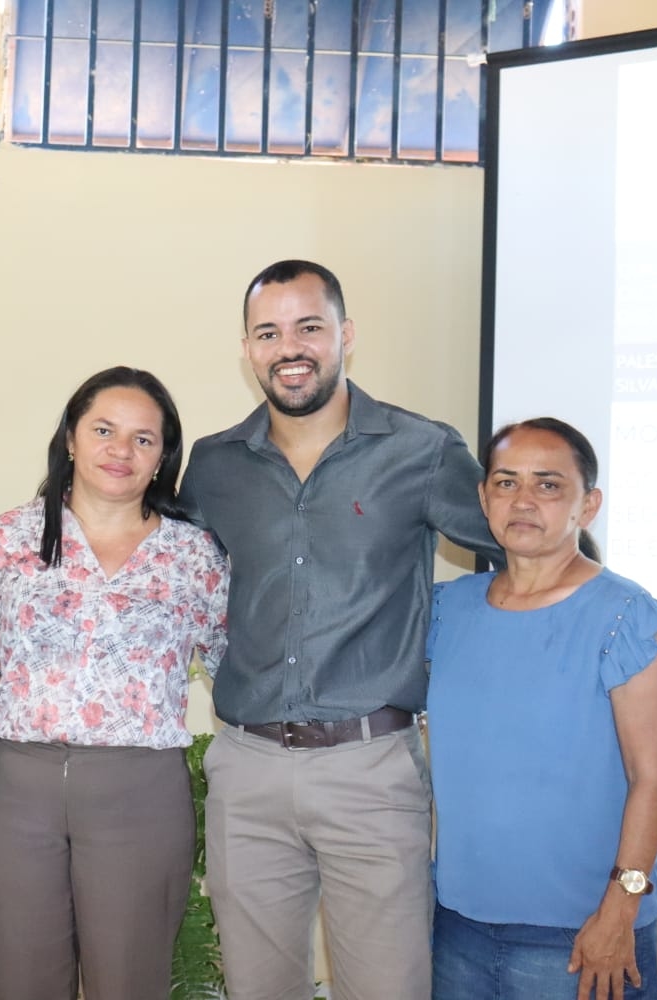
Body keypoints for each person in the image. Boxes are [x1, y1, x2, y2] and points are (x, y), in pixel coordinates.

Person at [178, 259, 501, 1000]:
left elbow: (523, 542)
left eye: (309, 327)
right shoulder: (214, 465)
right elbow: (170, 580)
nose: (289, 347)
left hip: (372, 769)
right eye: (269, 332)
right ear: (247, 349)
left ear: (345, 335)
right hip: (247, 769)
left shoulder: (422, 451)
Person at [0, 367, 228, 1000]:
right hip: (17, 789)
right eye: (103, 430)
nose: (120, 451)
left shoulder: (192, 556)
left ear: (163, 459)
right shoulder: (9, 540)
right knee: (24, 982)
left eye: (143, 439)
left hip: (140, 792)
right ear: (70, 439)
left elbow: (236, 668)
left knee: (129, 982)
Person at [427, 418, 657, 1000]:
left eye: (548, 485)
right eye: (506, 482)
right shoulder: (447, 610)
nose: (524, 500)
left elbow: (650, 778)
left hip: (579, 936)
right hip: (456, 924)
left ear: (588, 504)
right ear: (483, 497)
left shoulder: (627, 618)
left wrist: (620, 912)